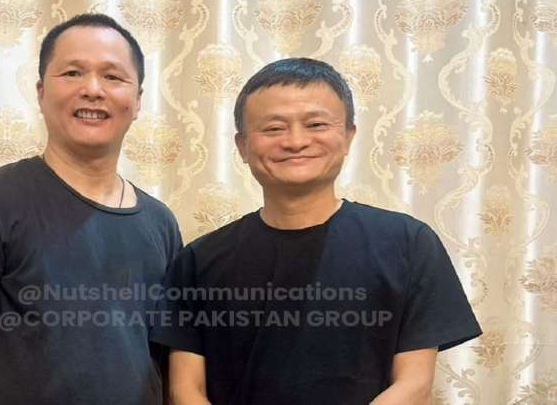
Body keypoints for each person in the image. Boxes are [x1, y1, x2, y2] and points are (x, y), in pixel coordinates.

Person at [150, 58, 482, 405]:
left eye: (316, 124)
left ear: (349, 136)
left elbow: (415, 384)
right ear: (242, 146)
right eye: (273, 128)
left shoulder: (409, 243)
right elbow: (185, 389)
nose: (296, 141)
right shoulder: (199, 259)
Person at [0, 13, 181, 405]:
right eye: (72, 73)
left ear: (137, 100)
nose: (92, 89)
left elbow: (168, 363)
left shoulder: (160, 222)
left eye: (112, 76)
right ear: (41, 93)